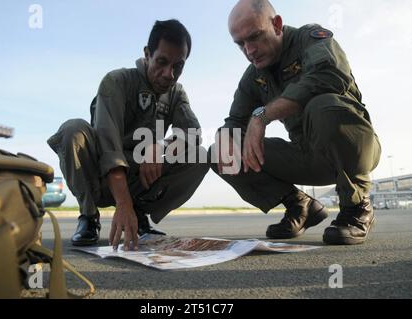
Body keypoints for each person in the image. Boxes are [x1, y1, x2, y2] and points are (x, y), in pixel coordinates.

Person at [210, 0, 381, 245]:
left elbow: (330, 75)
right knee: (221, 152)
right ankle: (299, 206)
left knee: (322, 105)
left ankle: (357, 206)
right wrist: (226, 135)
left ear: (277, 24)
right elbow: (234, 120)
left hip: (355, 149)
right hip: (306, 157)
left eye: (255, 37)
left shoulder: (310, 39)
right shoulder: (254, 76)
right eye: (241, 44)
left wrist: (262, 116)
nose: (250, 51)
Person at [48, 20, 209, 250]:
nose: (169, 74)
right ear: (147, 54)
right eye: (162, 62)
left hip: (139, 179)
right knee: (72, 130)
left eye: (178, 66)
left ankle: (140, 213)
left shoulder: (176, 93)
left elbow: (192, 133)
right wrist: (122, 204)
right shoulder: (116, 81)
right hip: (101, 175)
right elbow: (108, 146)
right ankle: (88, 216)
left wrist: (161, 148)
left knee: (198, 156)